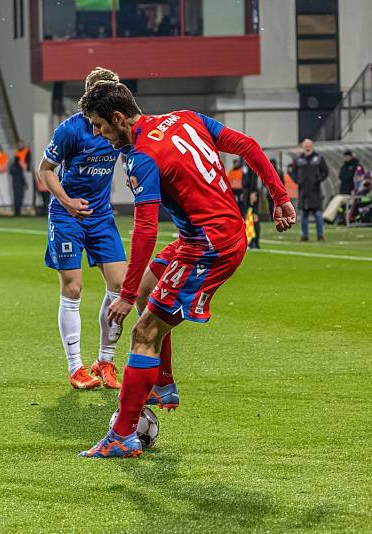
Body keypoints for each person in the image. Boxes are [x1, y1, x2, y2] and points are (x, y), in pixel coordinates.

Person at [76, 81, 294, 458]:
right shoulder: (185, 118)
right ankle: (162, 382)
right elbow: (248, 146)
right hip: (210, 234)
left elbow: (144, 227)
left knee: (143, 333)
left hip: (209, 247)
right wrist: (279, 195)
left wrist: (124, 296)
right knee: (149, 290)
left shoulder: (141, 157)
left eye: (99, 126)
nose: (99, 134)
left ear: (117, 118)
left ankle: (122, 436)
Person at [37, 68, 127, 390]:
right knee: (73, 287)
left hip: (101, 216)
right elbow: (45, 170)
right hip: (66, 216)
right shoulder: (70, 130)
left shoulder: (119, 127)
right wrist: (66, 200)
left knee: (120, 287)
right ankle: (76, 367)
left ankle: (105, 360)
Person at [292, 139, 328, 241]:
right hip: (303, 191)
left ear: (312, 146)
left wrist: (318, 179)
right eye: (306, 145)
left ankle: (320, 235)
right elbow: (292, 172)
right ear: (303, 147)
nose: (307, 147)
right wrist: (297, 180)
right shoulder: (299, 160)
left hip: (315, 190)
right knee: (303, 214)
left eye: (309, 145)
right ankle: (305, 235)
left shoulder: (318, 158)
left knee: (318, 214)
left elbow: (325, 171)